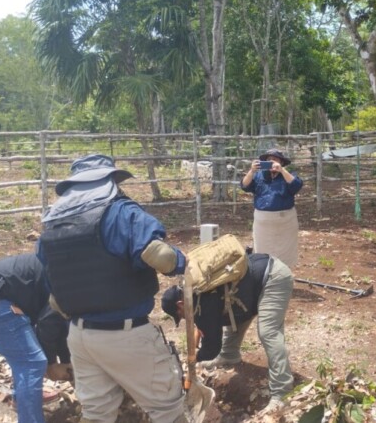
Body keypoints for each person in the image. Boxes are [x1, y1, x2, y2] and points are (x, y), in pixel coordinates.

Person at [38, 154, 188, 423]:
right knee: (168, 409)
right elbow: (161, 257)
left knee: (97, 413)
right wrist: (185, 263)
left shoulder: (51, 227)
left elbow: (54, 297)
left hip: (80, 336)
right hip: (125, 334)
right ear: (110, 181)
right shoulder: (120, 213)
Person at [161, 252, 294, 414]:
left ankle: (282, 393)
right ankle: (229, 354)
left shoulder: (202, 304)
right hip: (251, 287)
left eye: (180, 315)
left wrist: (197, 358)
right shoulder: (194, 291)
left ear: (180, 304)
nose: (183, 318)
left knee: (268, 332)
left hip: (272, 277)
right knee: (231, 313)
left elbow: (212, 348)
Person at [0, 253, 72, 423]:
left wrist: (65, 360)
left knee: (23, 354)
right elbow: (47, 323)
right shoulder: (68, 279)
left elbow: (58, 325)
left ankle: (25, 398)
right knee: (32, 362)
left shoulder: (66, 265)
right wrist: (52, 364)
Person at [241, 148, 303, 267]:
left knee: (286, 252)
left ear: (281, 162)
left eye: (274, 160)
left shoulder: (289, 175)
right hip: (263, 222)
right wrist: (251, 171)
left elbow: (296, 185)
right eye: (268, 160)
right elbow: (244, 185)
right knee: (262, 252)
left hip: (286, 222)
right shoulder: (258, 175)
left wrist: (282, 171)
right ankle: (265, 278)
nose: (271, 162)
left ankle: (283, 276)